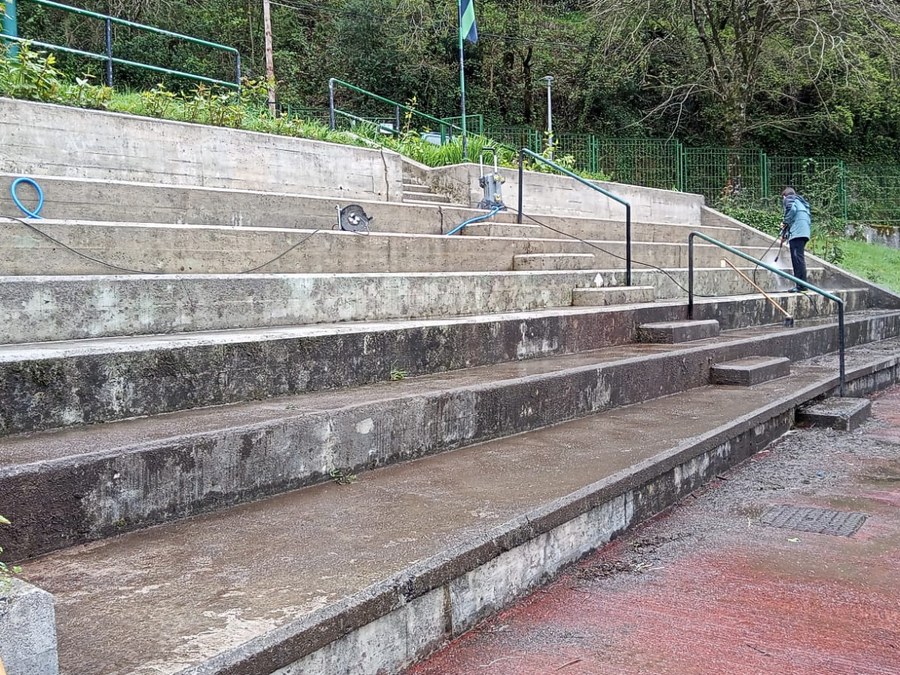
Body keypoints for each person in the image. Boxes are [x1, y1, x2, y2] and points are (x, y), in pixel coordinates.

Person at [780, 187, 811, 293]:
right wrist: (784, 233)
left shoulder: (788, 199)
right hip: (804, 232)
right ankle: (802, 285)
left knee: (797, 260)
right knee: (800, 259)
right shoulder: (800, 202)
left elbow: (791, 211)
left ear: (784, 195)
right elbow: (797, 217)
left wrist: (785, 222)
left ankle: (801, 286)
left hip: (797, 234)